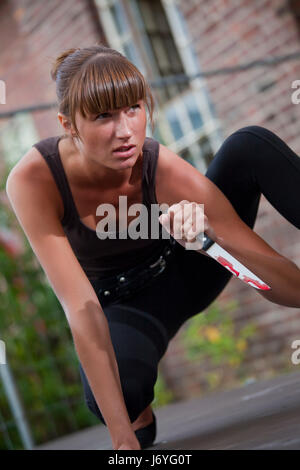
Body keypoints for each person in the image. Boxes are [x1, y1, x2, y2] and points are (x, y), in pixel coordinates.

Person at [5, 44, 300, 451]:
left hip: (185, 269)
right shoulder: (35, 180)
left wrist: (207, 243)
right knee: (121, 398)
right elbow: (80, 308)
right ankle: (137, 412)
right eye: (103, 116)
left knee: (249, 145)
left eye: (133, 108)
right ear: (68, 123)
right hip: (119, 306)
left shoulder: (160, 168)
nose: (125, 130)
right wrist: (123, 441)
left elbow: (288, 289)